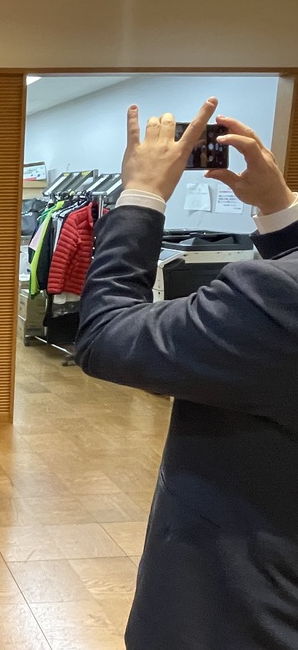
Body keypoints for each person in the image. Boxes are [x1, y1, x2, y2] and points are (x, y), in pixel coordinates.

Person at [75, 98, 298, 648]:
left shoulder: (275, 298)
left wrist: (141, 197)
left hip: (241, 613)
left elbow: (106, 334)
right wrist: (280, 212)